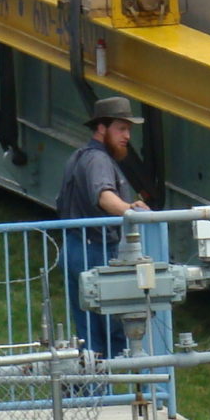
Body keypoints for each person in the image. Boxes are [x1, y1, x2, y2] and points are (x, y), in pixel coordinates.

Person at [55, 95, 150, 358]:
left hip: (76, 247)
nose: (127, 136)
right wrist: (131, 211)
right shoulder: (98, 160)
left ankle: (91, 393)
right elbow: (104, 196)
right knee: (111, 333)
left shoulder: (80, 156)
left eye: (128, 129)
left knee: (88, 333)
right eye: (121, 128)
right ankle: (104, 395)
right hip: (95, 251)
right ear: (101, 128)